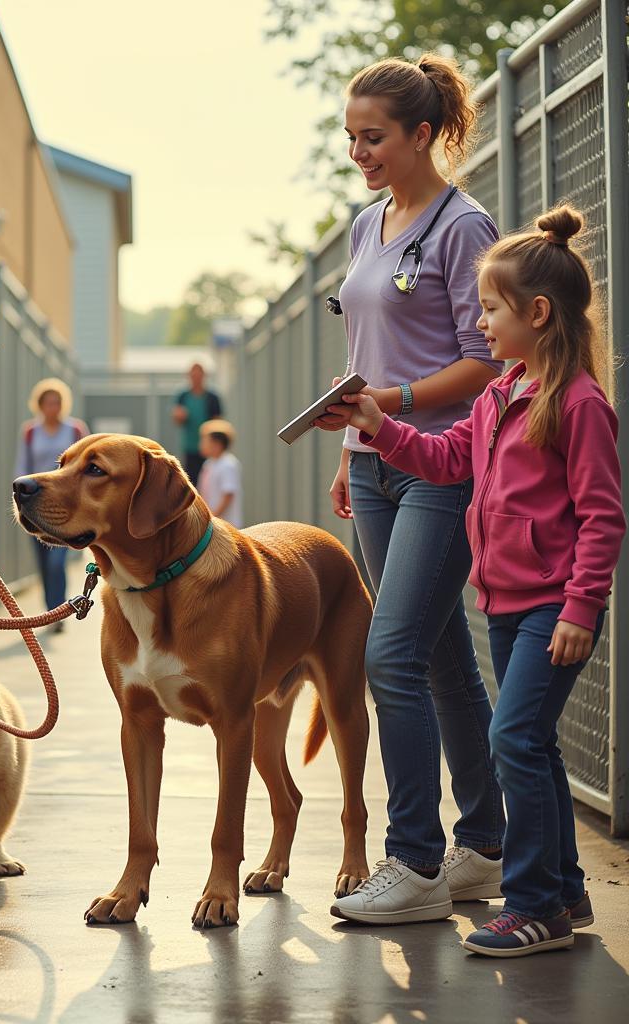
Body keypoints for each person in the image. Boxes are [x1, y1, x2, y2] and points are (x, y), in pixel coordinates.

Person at [335, 205, 624, 956]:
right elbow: (442, 460)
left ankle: (532, 907)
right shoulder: (498, 397)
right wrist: (376, 423)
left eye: (490, 309)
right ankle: (563, 888)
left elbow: (603, 517)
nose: (481, 323)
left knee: (513, 737)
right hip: (505, 601)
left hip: (555, 605)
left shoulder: (578, 404)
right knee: (535, 745)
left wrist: (582, 607)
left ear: (537, 313)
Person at [318, 54, 508, 925]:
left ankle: (416, 863)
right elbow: (367, 351)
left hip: (443, 463)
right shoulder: (368, 224)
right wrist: (353, 439)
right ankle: (487, 845)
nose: (359, 150)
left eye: (375, 136)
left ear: (423, 133)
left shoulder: (465, 226)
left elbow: (486, 361)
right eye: (351, 135)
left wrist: (388, 407)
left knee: (389, 655)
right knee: (438, 658)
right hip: (374, 463)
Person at [15, 378, 88, 631]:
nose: (53, 407)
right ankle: (51, 611)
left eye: (57, 402)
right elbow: (22, 465)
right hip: (34, 503)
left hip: (65, 505)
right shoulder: (30, 431)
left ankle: (58, 613)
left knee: (57, 563)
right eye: (48, 402)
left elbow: (85, 468)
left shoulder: (75, 430)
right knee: (44, 565)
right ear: (40, 405)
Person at [172, 362, 222, 485]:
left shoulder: (212, 397)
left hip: (210, 448)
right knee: (192, 482)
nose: (196, 378)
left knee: (210, 482)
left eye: (199, 375)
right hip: (190, 447)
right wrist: (179, 416)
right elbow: (176, 420)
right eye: (193, 375)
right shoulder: (183, 396)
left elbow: (218, 423)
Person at [197, 419, 242, 527]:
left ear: (217, 444)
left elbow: (228, 495)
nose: (201, 444)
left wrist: (213, 516)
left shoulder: (228, 464)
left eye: (204, 441)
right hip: (213, 523)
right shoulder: (208, 464)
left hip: (227, 525)